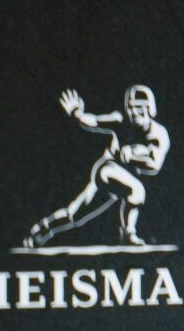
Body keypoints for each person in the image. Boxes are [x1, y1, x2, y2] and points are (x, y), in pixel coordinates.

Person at [25, 85, 170, 248]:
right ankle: (128, 234)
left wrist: (133, 157)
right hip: (108, 169)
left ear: (150, 108)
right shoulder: (121, 120)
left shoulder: (159, 134)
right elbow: (94, 120)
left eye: (140, 107)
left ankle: (42, 229)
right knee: (137, 190)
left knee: (74, 216)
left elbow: (154, 165)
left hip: (122, 179)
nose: (135, 112)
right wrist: (76, 113)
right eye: (131, 107)